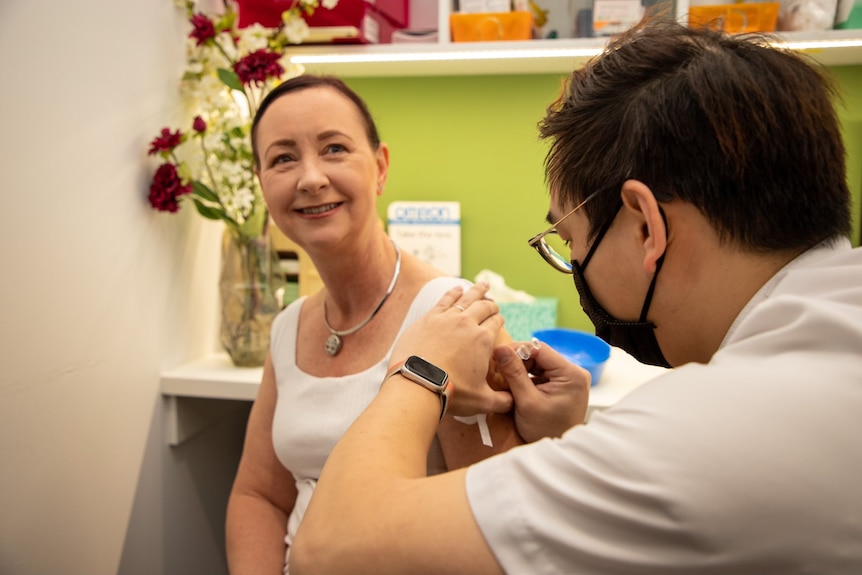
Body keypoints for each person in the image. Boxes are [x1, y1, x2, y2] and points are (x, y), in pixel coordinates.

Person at [288, 16, 862, 575]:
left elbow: (330, 548)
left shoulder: (708, 434)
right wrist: (570, 444)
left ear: (645, 226)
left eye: (569, 240)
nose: (312, 178)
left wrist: (419, 370)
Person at [224, 75, 542, 574]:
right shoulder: (288, 327)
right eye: (282, 158)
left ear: (380, 167)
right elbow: (258, 493)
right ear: (262, 183)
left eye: (333, 148)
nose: (309, 177)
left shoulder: (451, 316)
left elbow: (494, 524)